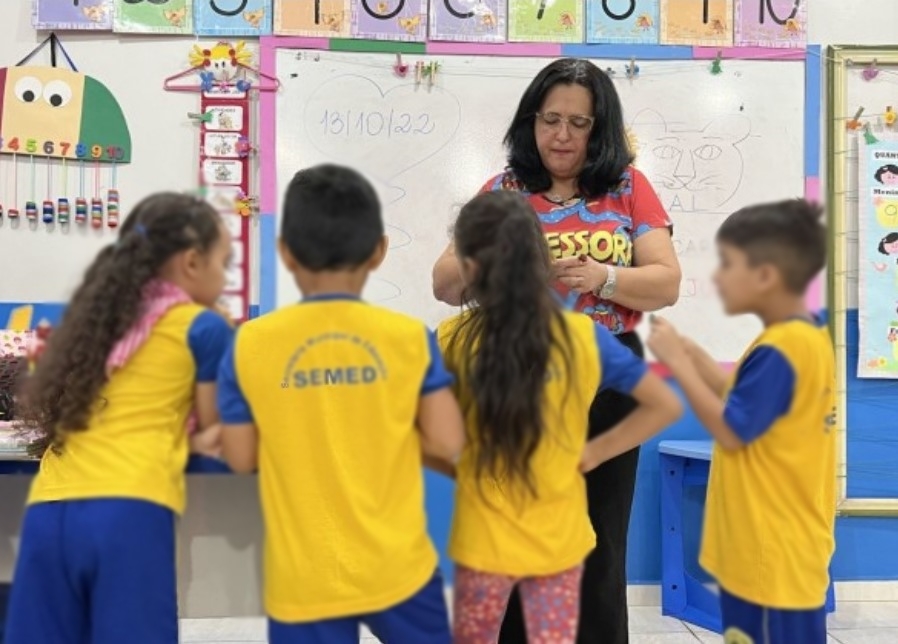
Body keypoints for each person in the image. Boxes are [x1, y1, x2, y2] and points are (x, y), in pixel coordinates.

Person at [431, 57, 681, 644]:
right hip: (518, 372)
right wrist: (511, 258)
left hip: (609, 372)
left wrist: (603, 277)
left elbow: (666, 283)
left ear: (601, 129)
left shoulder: (629, 188)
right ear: (530, 121)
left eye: (579, 123)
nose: (562, 136)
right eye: (550, 120)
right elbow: (445, 284)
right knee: (517, 527)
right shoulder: (503, 190)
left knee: (600, 538)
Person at [217, 164, 466, 644]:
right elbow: (445, 440)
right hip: (399, 566)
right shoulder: (409, 339)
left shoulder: (248, 343)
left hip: (302, 576)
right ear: (378, 250)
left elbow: (241, 457)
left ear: (286, 251)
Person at [5, 193, 234, 644]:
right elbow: (214, 429)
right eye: (223, 262)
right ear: (192, 263)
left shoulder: (94, 322)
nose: (225, 278)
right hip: (128, 510)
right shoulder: (203, 327)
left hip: (48, 510)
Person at [647, 200, 835, 644]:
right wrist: (695, 360)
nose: (717, 277)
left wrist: (677, 362)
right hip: (786, 545)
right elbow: (751, 400)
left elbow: (732, 429)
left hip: (770, 553)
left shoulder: (779, 351)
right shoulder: (799, 337)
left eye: (728, 264)